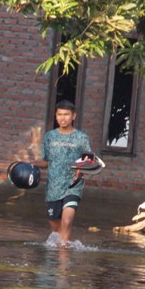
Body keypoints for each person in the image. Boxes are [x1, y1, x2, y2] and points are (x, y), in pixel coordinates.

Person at [29, 100, 92, 244]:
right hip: (53, 188)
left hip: (73, 186)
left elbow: (88, 161)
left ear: (73, 116)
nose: (63, 118)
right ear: (56, 116)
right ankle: (56, 259)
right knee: (56, 231)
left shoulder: (81, 138)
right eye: (60, 114)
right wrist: (31, 164)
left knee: (67, 221)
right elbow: (46, 162)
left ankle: (63, 262)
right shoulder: (49, 137)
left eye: (66, 115)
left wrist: (85, 169)